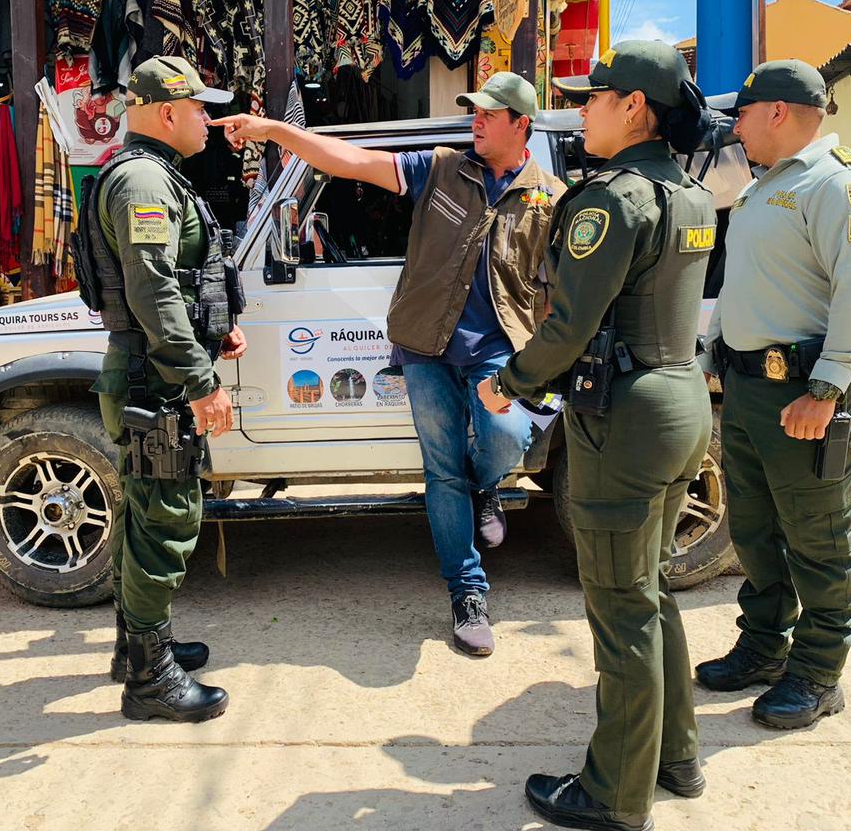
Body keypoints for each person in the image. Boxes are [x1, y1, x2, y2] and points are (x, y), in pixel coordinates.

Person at [214, 72, 564, 656]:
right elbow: (350, 160)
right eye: (473, 110)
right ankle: (467, 593)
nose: (475, 120)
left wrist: (546, 367)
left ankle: (486, 489)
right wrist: (275, 129)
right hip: (426, 347)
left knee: (505, 438)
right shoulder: (443, 168)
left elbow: (558, 289)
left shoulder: (550, 196)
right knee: (442, 471)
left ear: (520, 123)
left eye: (488, 113)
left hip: (500, 354)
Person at [477, 41, 716, 831]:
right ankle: (674, 757)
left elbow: (570, 325)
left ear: (636, 107)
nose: (582, 108)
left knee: (621, 612)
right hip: (680, 401)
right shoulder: (687, 195)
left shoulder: (611, 200)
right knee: (650, 596)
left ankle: (614, 794)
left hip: (628, 416)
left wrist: (508, 381)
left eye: (595, 95)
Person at [695, 59, 851, 730]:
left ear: (777, 111)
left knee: (820, 538)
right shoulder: (761, 188)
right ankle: (765, 647)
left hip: (802, 395)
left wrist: (828, 388)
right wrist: (715, 352)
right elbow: (745, 285)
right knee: (754, 530)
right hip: (747, 391)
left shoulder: (838, 187)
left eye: (742, 114)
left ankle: (818, 673)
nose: (736, 129)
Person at [73, 56, 248, 722]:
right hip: (157, 379)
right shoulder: (144, 180)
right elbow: (151, 292)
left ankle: (138, 646)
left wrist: (216, 331)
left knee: (144, 514)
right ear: (169, 111)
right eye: (201, 108)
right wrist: (201, 382)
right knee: (166, 524)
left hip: (153, 370)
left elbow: (176, 282)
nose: (208, 119)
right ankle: (151, 683)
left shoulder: (153, 174)